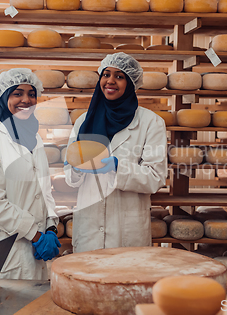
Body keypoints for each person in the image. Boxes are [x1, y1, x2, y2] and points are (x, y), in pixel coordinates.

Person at [64, 52, 168, 253]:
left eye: (119, 76)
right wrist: (75, 169)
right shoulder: (83, 122)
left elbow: (156, 178)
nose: (110, 81)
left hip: (127, 230)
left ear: (130, 83)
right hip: (89, 227)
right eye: (106, 74)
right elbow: (70, 179)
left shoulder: (151, 123)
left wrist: (119, 168)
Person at [0, 68, 60, 280]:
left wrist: (51, 228)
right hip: (4, 254)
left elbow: (43, 190)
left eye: (31, 94)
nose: (26, 100)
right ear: (3, 97)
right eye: (17, 93)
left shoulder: (34, 138)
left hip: (34, 252)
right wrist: (36, 235)